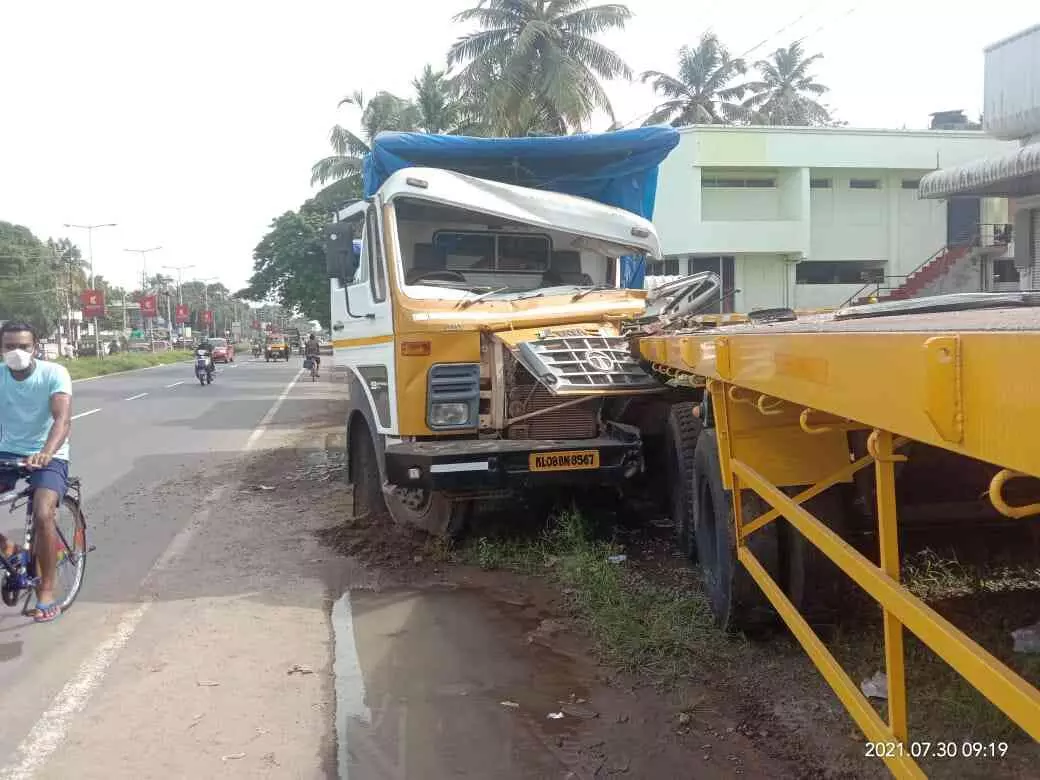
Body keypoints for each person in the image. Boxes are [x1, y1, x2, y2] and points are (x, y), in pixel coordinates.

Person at [0, 321, 73, 623]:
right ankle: (8, 548)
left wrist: (46, 452)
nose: (16, 352)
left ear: (36, 346)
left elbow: (62, 419)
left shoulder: (54, 373)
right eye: (9, 346)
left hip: (49, 453)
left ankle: (47, 590)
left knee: (44, 514)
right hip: (7, 452)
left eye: (23, 346)